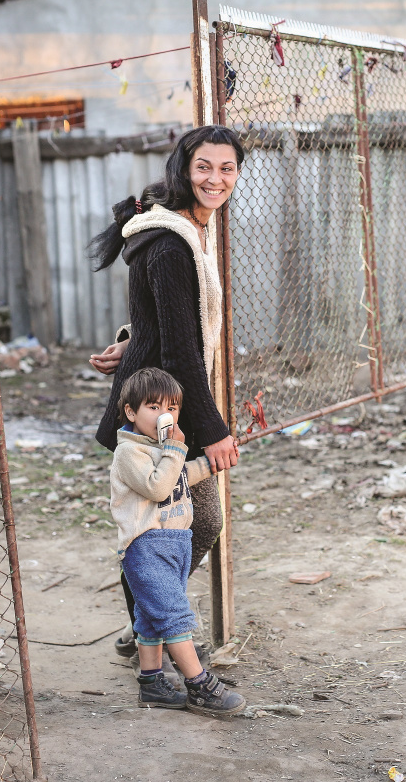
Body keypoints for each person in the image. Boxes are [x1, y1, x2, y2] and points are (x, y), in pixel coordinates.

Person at [87, 125, 244, 659]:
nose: (216, 178)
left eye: (227, 168)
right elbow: (180, 351)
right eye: (205, 167)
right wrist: (215, 431)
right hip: (160, 413)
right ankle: (156, 627)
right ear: (183, 168)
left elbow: (157, 317)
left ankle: (146, 624)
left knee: (174, 525)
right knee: (188, 524)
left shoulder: (191, 229)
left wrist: (129, 342)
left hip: (160, 396)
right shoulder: (173, 243)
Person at [109, 367, 246, 716]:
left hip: (173, 543)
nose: (164, 415)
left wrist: (215, 463)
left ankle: (152, 683)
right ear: (130, 412)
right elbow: (158, 486)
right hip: (146, 546)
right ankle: (199, 685)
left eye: (172, 407)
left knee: (151, 617)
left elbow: (181, 475)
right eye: (154, 407)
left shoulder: (162, 449)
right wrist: (175, 448)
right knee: (173, 617)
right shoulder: (129, 453)